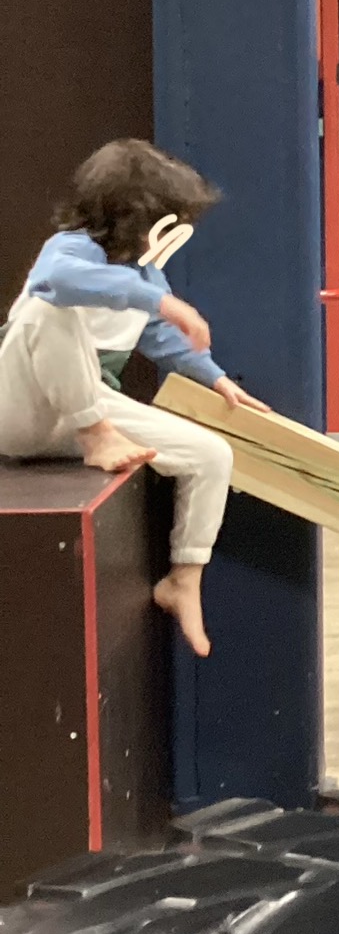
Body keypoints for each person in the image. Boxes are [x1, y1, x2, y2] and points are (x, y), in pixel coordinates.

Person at [0, 139, 270, 658]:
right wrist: (162, 301)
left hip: (85, 411)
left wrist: (217, 380)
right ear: (134, 216)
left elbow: (162, 337)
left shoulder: (146, 276)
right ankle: (97, 434)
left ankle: (183, 580)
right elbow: (57, 282)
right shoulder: (69, 251)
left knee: (212, 455)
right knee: (47, 308)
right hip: (20, 409)